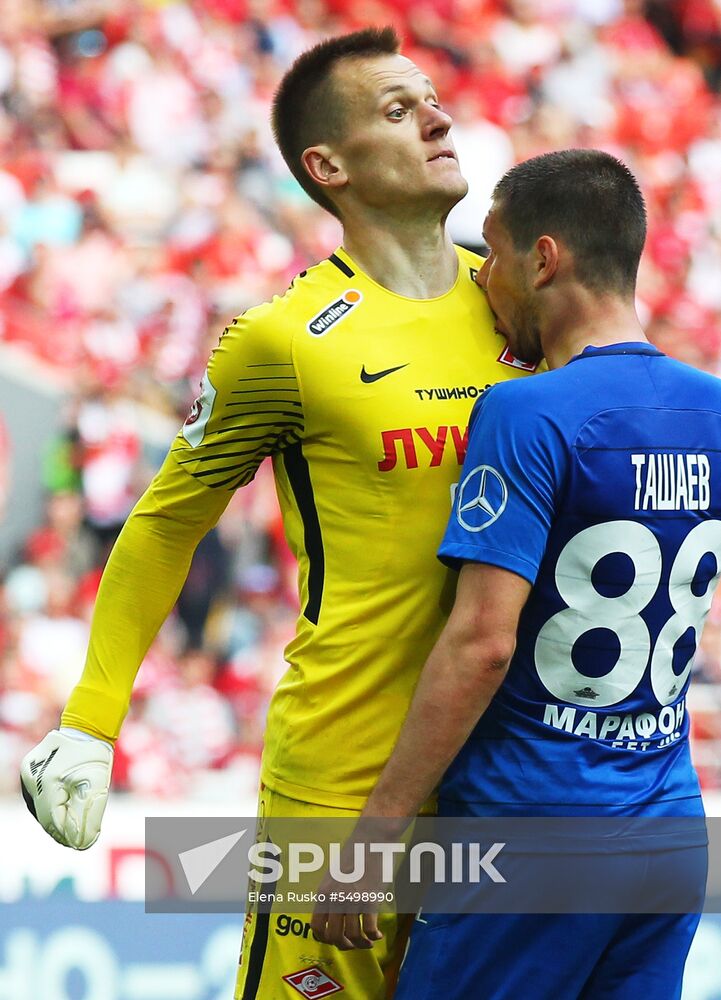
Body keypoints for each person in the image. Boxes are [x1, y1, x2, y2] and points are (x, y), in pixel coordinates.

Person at [19, 27, 536, 1000]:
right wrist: (91, 721)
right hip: (341, 786)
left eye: (431, 96)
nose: (436, 115)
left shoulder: (525, 310)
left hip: (505, 788)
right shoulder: (284, 338)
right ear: (326, 165)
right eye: (397, 107)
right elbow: (169, 520)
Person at [312, 149, 721, 999]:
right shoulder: (709, 406)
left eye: (491, 255)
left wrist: (377, 828)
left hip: (531, 829)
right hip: (665, 824)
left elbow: (482, 645)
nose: (481, 281)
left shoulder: (526, 409)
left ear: (544, 259)